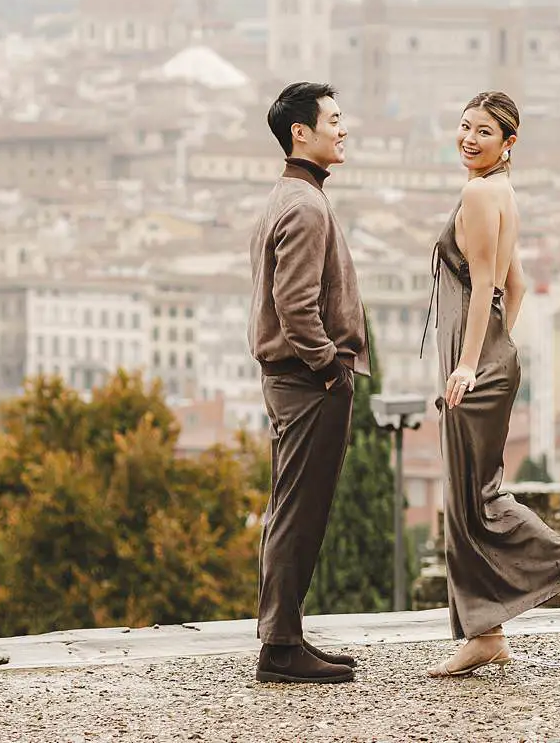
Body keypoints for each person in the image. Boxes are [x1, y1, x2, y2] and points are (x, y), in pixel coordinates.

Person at [422, 90, 560, 678]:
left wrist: (471, 363)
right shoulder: (501, 193)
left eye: (484, 132)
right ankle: (484, 632)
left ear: (508, 142)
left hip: (474, 365)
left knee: (480, 501)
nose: (469, 138)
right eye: (464, 127)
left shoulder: (477, 192)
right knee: (465, 503)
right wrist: (495, 346)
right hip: (490, 357)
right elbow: (514, 289)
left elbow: (489, 280)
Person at [247, 82, 370, 684]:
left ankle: (283, 635)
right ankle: (281, 647)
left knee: (289, 508)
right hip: (307, 381)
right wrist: (331, 370)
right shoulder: (305, 206)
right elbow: (296, 307)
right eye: (335, 120)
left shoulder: (289, 196)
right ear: (302, 132)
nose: (343, 129)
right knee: (300, 512)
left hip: (293, 379)